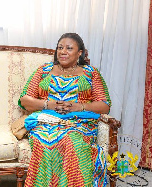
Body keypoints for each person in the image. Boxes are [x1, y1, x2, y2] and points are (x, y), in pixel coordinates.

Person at [19, 33, 111, 187]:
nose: (63, 51)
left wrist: (80, 106)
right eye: (60, 48)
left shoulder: (90, 73)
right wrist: (49, 105)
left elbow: (104, 105)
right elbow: (25, 100)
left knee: (71, 141)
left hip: (79, 123)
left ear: (79, 53)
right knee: (45, 141)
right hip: (45, 123)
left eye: (69, 48)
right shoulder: (44, 70)